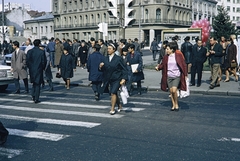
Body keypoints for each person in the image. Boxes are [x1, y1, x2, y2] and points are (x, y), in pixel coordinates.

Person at [156, 42, 187, 111]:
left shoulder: (178, 56)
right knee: (171, 92)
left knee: (174, 90)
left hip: (176, 76)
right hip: (169, 76)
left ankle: (176, 104)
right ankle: (173, 105)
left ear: (172, 49)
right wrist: (158, 68)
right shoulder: (166, 57)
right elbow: (163, 65)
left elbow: (184, 65)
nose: (166, 50)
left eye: (168, 49)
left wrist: (185, 74)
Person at [99, 43, 128, 115]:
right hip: (109, 79)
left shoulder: (118, 59)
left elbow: (124, 69)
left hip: (117, 78)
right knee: (113, 93)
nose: (108, 50)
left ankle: (112, 109)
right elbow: (103, 70)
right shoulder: (105, 58)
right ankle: (119, 105)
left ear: (114, 50)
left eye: (109, 49)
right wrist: (100, 67)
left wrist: (124, 78)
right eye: (107, 49)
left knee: (113, 92)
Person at [27, 39, 47, 103]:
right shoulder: (41, 52)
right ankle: (36, 98)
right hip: (39, 69)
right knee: (38, 84)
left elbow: (27, 61)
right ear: (39, 44)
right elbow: (44, 61)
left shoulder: (30, 51)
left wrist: (30, 67)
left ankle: (33, 95)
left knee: (34, 83)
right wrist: (43, 68)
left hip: (32, 69)